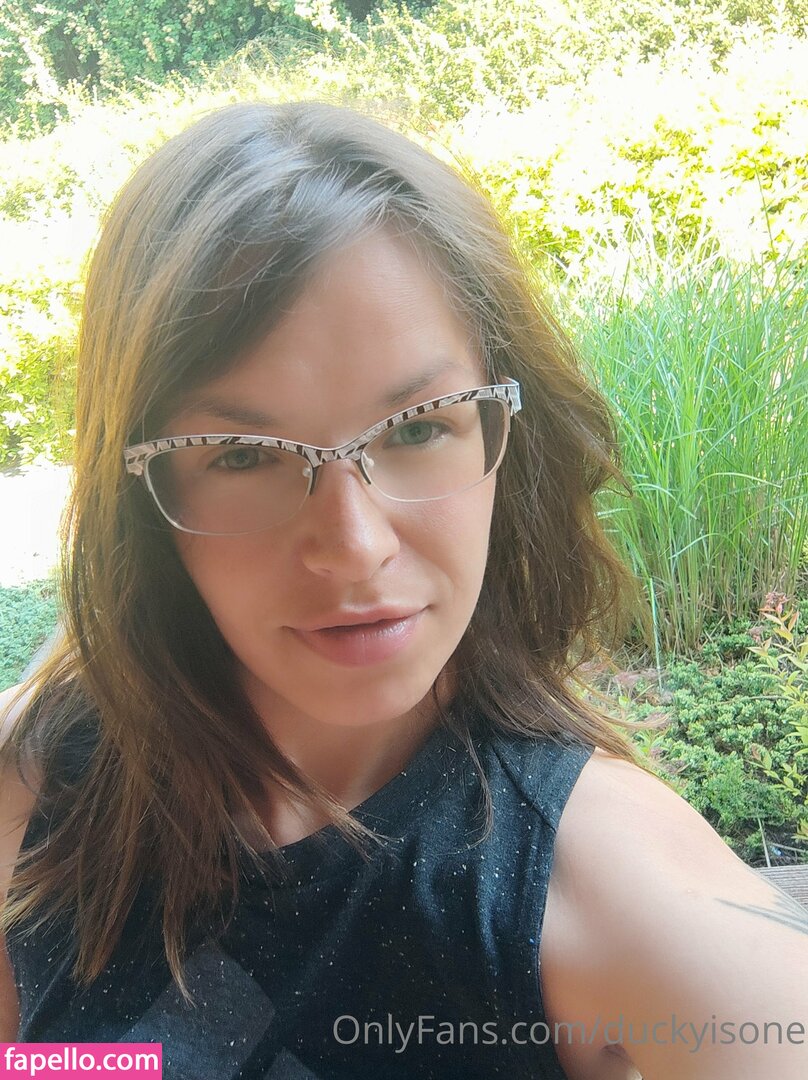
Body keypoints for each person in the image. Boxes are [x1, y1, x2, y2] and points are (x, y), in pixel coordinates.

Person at [0, 101, 806, 1080]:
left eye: (419, 427)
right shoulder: (41, 785)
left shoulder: (600, 885)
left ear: (507, 438)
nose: (353, 547)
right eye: (244, 454)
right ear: (143, 493)